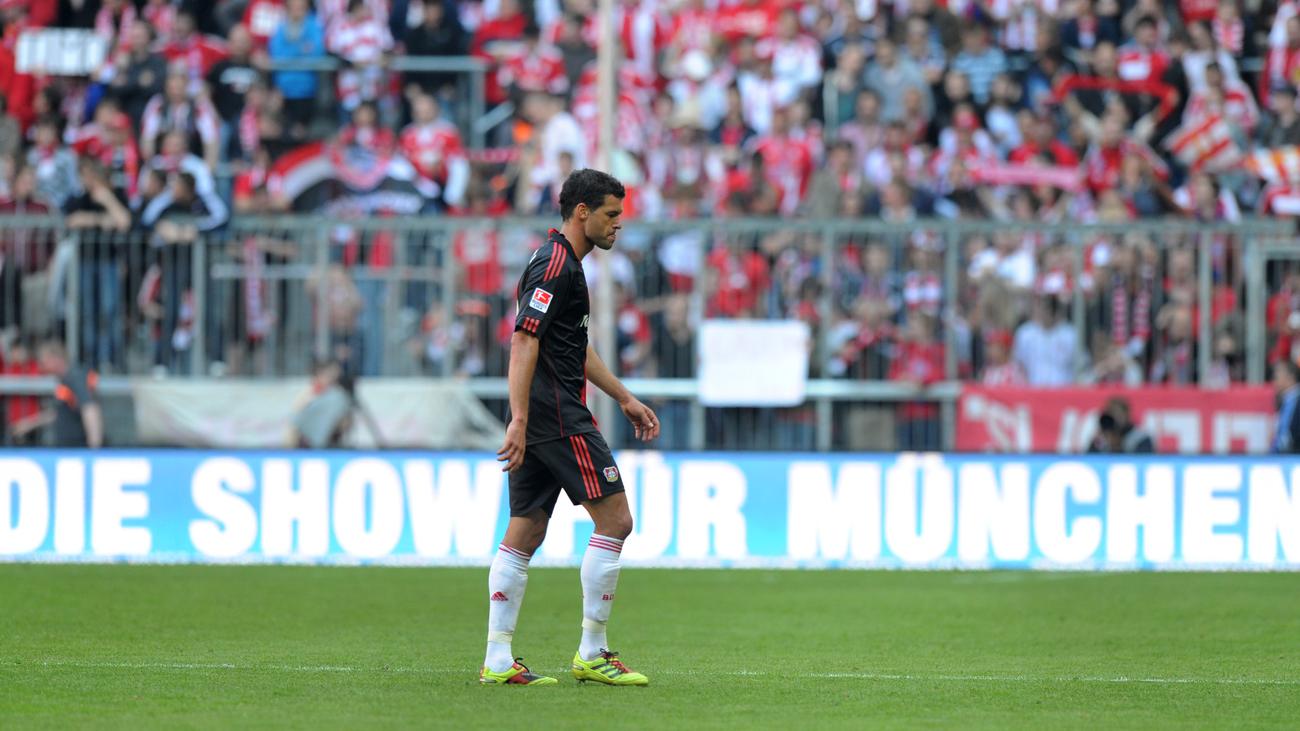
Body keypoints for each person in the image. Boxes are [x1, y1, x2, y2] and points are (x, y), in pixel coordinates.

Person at [484, 169, 658, 687]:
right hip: (556, 414)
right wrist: (519, 419)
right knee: (617, 519)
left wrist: (623, 397)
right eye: (611, 214)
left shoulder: (562, 262)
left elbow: (571, 346)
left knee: (526, 530)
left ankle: (497, 660)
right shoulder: (556, 265)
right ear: (582, 212)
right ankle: (592, 651)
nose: (618, 224)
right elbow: (524, 339)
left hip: (543, 414)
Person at [35, 340, 104, 449]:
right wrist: (26, 425)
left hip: (77, 449)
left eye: (43, 363)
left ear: (55, 359)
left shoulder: (75, 378)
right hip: (68, 450)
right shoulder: (64, 381)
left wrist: (94, 449)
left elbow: (90, 409)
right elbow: (57, 414)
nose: (41, 367)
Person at [1087, 396, 1154, 453]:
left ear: (1127, 415)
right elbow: (1089, 460)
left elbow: (1144, 461)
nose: (1114, 418)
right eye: (1110, 413)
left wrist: (1118, 445)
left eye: (1118, 414)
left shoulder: (1140, 438)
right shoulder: (1100, 440)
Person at [1271, 359, 1300, 453]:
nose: (1274, 380)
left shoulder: (1295, 401)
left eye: (1277, 375)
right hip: (1281, 456)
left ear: (1290, 376)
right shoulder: (1283, 401)